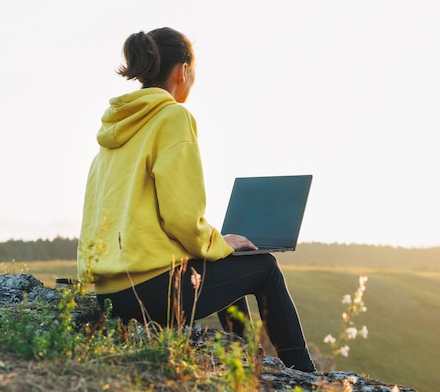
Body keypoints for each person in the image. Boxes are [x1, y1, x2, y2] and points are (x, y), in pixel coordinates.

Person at [77, 27, 315, 372]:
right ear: (182, 71)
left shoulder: (113, 134)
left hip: (110, 294)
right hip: (153, 293)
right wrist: (217, 242)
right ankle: (305, 374)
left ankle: (247, 359)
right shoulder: (173, 117)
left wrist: (216, 247)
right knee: (264, 268)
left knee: (218, 260)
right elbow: (181, 218)